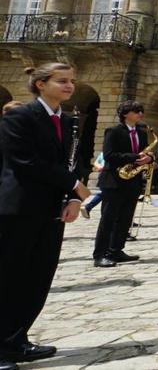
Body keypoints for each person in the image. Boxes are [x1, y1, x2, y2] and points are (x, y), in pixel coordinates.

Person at [0, 63, 91, 366]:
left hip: (52, 209)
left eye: (72, 81)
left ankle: (16, 339)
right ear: (40, 84)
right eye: (61, 81)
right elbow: (24, 161)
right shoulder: (19, 116)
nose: (69, 86)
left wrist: (72, 198)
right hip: (21, 208)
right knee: (10, 277)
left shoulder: (66, 122)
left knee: (38, 277)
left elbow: (72, 160)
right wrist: (75, 185)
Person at [92, 100, 149, 268]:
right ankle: (100, 254)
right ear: (125, 114)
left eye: (141, 110)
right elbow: (109, 155)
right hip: (114, 180)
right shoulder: (114, 131)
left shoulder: (141, 132)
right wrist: (134, 158)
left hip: (132, 180)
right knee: (108, 219)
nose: (140, 114)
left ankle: (116, 250)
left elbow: (146, 151)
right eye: (136, 111)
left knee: (125, 218)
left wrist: (149, 158)